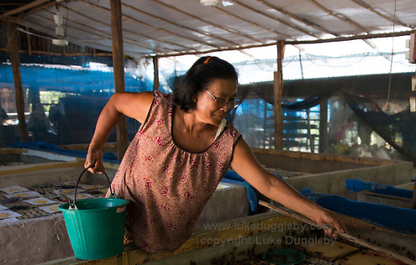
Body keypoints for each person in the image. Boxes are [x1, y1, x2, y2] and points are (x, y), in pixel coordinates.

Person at [85, 56, 346, 253]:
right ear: (196, 91)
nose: (226, 108)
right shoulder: (157, 111)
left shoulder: (227, 143)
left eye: (231, 100)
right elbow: (115, 103)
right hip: (118, 227)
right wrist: (96, 145)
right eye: (219, 99)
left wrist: (317, 213)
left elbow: (267, 183)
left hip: (167, 242)